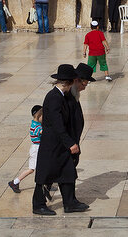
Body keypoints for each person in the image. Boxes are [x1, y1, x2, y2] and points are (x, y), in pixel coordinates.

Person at [32, 64, 91, 215]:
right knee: (45, 174)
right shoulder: (54, 97)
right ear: (70, 82)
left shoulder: (61, 96)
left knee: (68, 172)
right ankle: (38, 205)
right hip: (52, 144)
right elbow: (57, 125)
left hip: (60, 144)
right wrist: (70, 143)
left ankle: (70, 202)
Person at [8, 105, 43, 193]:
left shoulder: (35, 123)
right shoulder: (37, 127)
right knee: (31, 169)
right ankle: (15, 182)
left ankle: (46, 183)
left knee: (43, 166)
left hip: (38, 148)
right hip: (36, 149)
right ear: (39, 116)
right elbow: (45, 132)